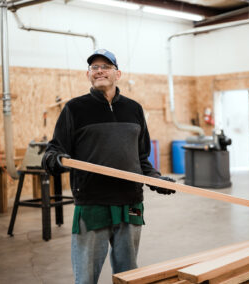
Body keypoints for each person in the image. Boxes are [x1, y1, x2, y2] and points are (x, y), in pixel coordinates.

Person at [42, 48, 175, 284]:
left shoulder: (134, 109)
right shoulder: (74, 109)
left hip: (130, 202)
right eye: (94, 67)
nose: (100, 71)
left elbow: (142, 156)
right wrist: (56, 160)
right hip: (93, 202)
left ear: (118, 73)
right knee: (86, 277)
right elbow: (54, 150)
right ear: (88, 75)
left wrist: (156, 179)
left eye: (105, 66)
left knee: (129, 275)